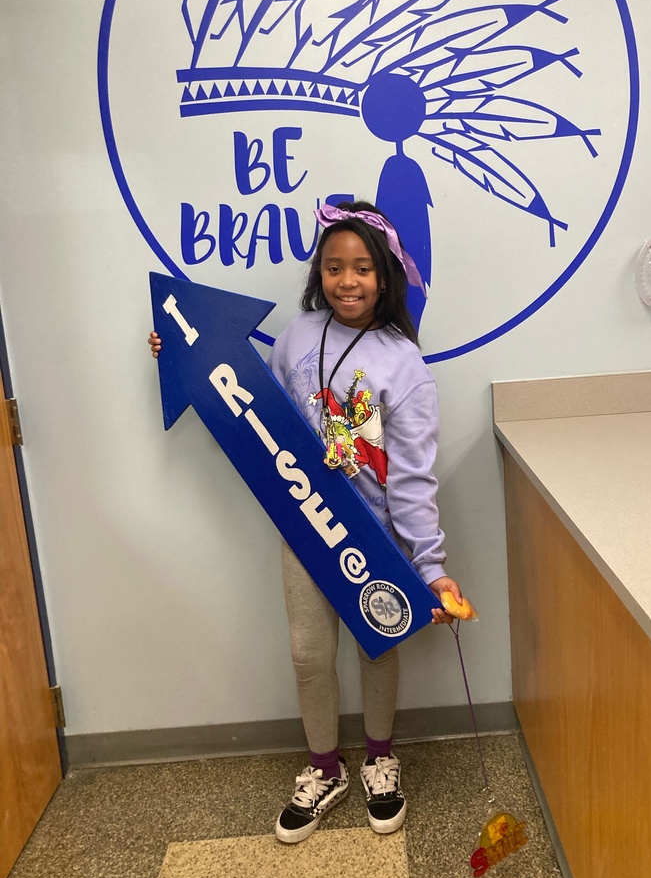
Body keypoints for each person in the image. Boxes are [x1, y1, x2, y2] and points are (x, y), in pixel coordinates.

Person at [148, 200, 463, 845]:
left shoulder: (405, 363)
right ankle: (325, 767)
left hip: (377, 536)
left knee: (380, 646)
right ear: (319, 272)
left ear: (387, 277)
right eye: (334, 267)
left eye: (363, 269)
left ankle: (379, 757)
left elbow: (412, 476)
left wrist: (428, 566)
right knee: (307, 654)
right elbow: (249, 411)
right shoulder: (296, 335)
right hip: (304, 526)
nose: (348, 281)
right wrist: (179, 351)